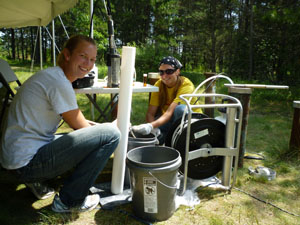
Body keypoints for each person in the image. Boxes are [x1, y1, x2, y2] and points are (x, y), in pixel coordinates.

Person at [0, 35, 121, 213]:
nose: (88, 63)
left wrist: (102, 128)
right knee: (112, 135)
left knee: (105, 132)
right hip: (25, 164)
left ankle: (42, 181)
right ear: (67, 54)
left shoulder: (53, 76)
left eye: (92, 59)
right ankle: (69, 200)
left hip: (17, 158)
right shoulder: (58, 82)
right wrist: (111, 128)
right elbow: (81, 127)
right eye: (83, 56)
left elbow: (79, 121)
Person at [132, 56, 197, 144]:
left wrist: (150, 126)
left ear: (177, 71)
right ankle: (164, 141)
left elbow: (170, 112)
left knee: (180, 109)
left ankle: (182, 141)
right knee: (148, 137)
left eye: (169, 71)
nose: (164, 76)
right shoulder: (159, 84)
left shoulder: (186, 85)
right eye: (161, 72)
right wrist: (153, 129)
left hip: (190, 120)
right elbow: (150, 113)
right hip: (168, 120)